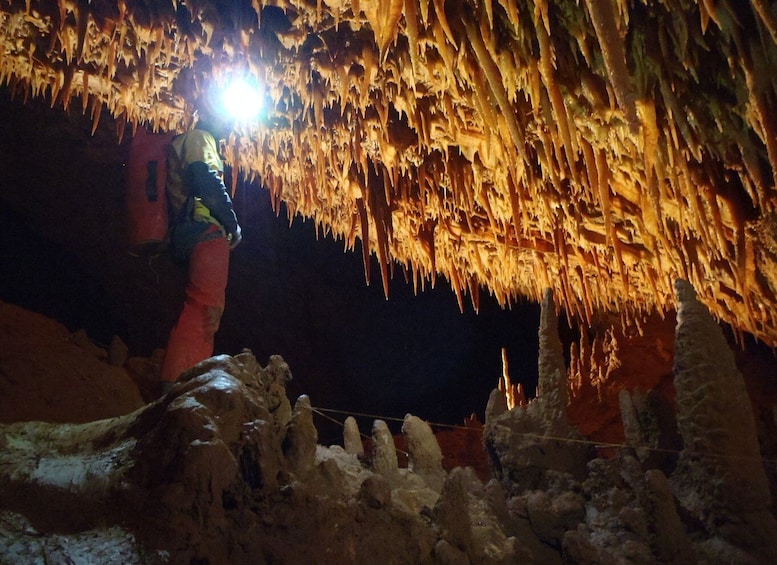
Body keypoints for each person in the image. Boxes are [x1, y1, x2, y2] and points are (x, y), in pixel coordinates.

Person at [158, 89, 242, 395]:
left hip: (188, 231)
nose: (229, 128)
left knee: (203, 306)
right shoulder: (200, 138)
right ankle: (178, 383)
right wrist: (232, 223)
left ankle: (188, 378)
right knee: (205, 307)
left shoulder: (189, 141)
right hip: (205, 230)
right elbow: (205, 178)